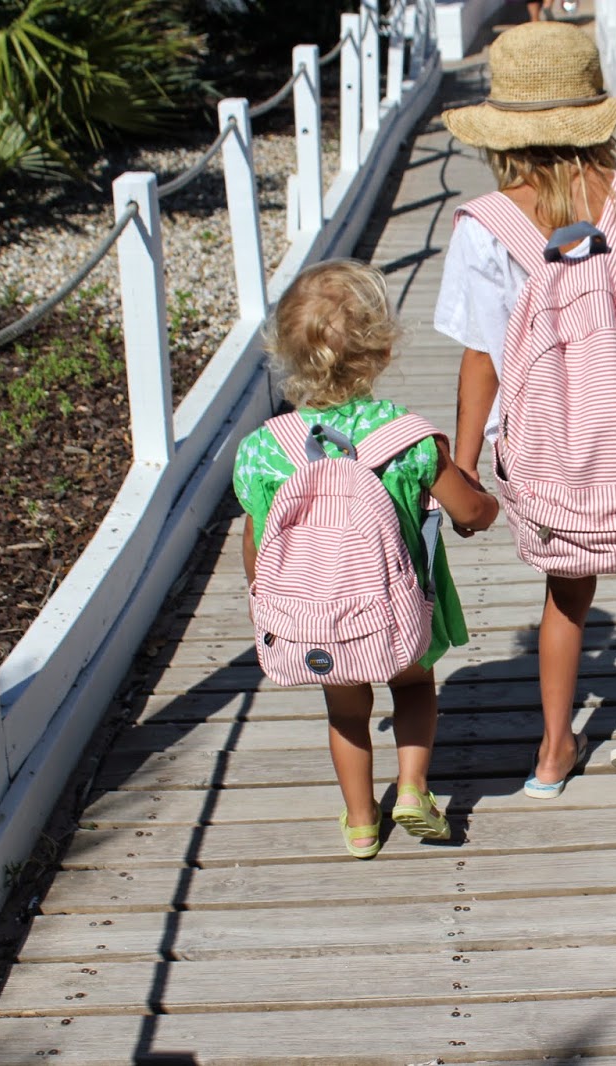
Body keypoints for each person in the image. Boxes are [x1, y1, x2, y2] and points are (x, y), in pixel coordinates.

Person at [434, 22, 616, 801]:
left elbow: (482, 358)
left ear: (502, 131)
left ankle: (554, 751)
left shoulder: (484, 226)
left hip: (549, 444)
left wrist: (465, 466)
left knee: (566, 588)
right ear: (597, 117)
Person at [235, 260, 500, 858]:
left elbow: (257, 545)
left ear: (285, 355)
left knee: (347, 712)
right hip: (398, 605)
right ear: (382, 350)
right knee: (414, 686)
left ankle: (360, 821)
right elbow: (468, 510)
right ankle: (412, 788)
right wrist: (483, 509)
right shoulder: (408, 437)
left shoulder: (261, 452)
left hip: (317, 616)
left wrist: (266, 600)